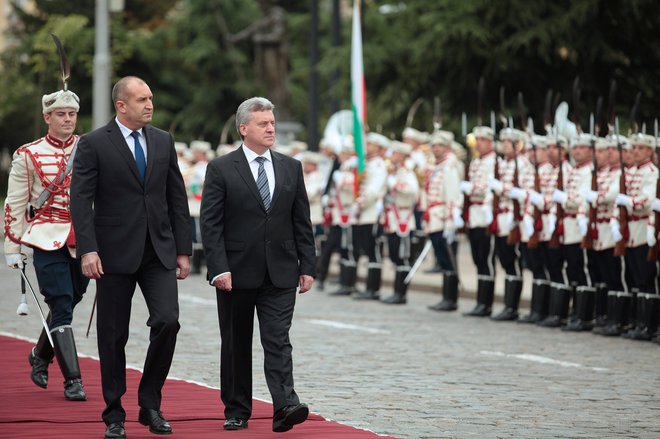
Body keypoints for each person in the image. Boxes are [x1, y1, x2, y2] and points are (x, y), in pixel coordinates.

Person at [70, 76, 192, 439]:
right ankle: (114, 414)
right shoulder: (93, 143)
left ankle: (150, 403)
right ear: (121, 105)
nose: (150, 104)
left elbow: (177, 198)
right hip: (112, 253)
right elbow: (81, 200)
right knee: (112, 335)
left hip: (158, 250)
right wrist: (88, 248)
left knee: (168, 321)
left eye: (151, 98)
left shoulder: (162, 141)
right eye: (142, 99)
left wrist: (183, 250)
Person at [200, 97, 316, 432]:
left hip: (280, 270)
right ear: (244, 128)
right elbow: (211, 224)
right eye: (263, 123)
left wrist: (307, 265)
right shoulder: (222, 168)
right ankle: (237, 409)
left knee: (278, 339)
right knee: (236, 343)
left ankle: (285, 406)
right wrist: (218, 268)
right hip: (235, 273)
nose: (270, 128)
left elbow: (301, 221)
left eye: (272, 122)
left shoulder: (290, 167)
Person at [4, 86, 89, 402]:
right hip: (46, 236)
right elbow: (15, 202)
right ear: (47, 117)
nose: (67, 120)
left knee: (72, 297)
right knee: (61, 302)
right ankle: (73, 381)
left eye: (72, 114)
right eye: (60, 114)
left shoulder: (89, 148)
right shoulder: (29, 154)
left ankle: (40, 354)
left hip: (83, 239)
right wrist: (13, 248)